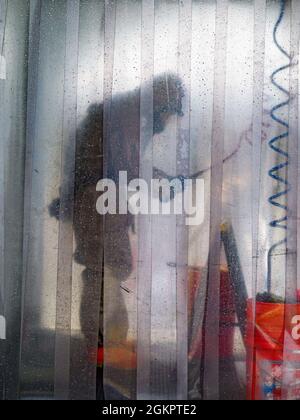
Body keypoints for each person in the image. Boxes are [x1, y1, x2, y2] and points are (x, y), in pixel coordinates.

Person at [50, 73, 184, 398]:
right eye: (170, 113)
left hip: (103, 201)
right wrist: (161, 183)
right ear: (161, 104)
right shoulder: (124, 117)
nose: (168, 123)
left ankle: (110, 345)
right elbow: (122, 167)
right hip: (96, 200)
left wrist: (158, 180)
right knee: (104, 269)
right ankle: (104, 349)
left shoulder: (125, 114)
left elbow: (128, 166)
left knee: (112, 267)